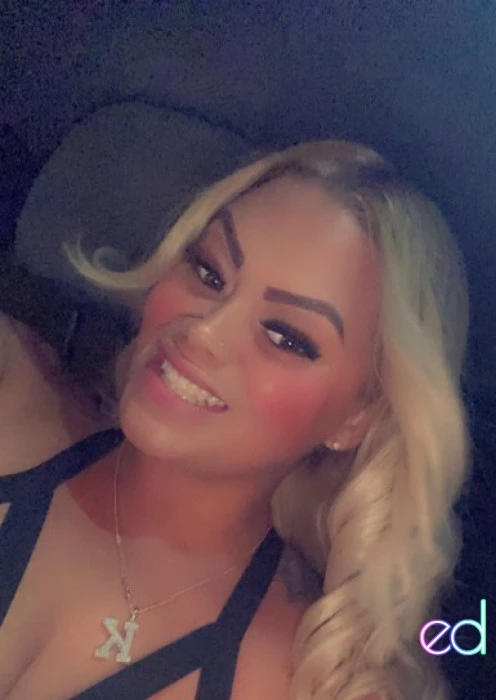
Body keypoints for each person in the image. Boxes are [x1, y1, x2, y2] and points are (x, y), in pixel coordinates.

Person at [0, 140, 469, 699]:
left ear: (356, 417)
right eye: (209, 272)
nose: (202, 331)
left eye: (285, 337)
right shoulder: (14, 391)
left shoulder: (309, 681)